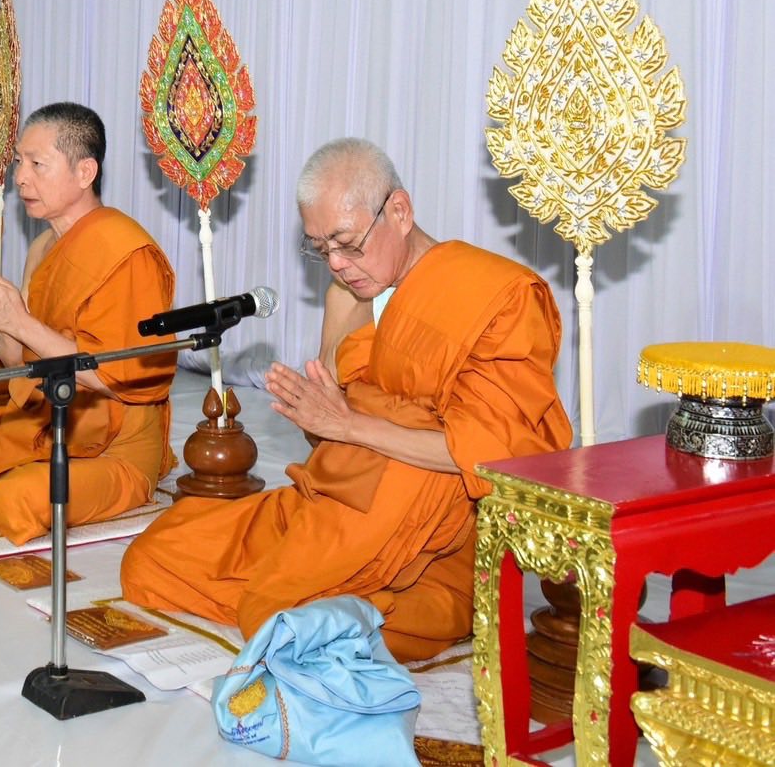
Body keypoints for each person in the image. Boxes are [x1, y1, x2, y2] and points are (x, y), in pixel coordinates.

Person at [119, 138, 572, 661]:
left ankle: (412, 606)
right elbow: (328, 436)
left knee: (274, 614)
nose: (336, 263)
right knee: (153, 557)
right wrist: (319, 417)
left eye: (348, 243)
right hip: (333, 501)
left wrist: (351, 425)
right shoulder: (344, 299)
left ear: (399, 211)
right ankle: (348, 607)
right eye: (319, 248)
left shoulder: (495, 297)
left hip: (425, 524)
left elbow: (492, 454)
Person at [0, 103, 177, 543]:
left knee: (14, 499)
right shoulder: (42, 248)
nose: (20, 177)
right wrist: (1, 321)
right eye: (20, 162)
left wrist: (18, 321)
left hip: (114, 443)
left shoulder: (127, 252)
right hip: (45, 418)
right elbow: (17, 363)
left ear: (85, 172)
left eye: (37, 164)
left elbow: (118, 375)